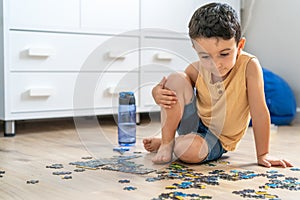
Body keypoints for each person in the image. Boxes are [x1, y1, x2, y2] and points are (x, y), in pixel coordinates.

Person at [143, 2, 293, 168]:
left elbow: (259, 113)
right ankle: (166, 143)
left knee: (185, 150)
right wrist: (156, 92)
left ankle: (173, 143)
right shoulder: (197, 69)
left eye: (224, 54)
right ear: (195, 49)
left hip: (218, 138)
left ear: (239, 46)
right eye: (205, 56)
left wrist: (263, 154)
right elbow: (172, 89)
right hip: (192, 123)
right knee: (176, 78)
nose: (215, 64)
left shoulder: (249, 66)